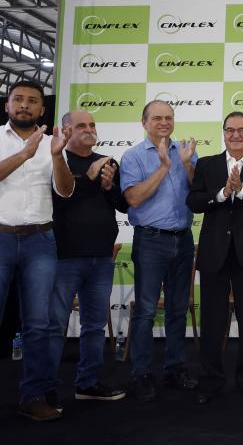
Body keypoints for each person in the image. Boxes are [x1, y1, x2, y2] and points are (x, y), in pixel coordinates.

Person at [187, 112, 243, 404]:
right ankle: (211, 381)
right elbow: (194, 201)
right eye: (230, 130)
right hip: (214, 253)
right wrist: (223, 193)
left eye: (242, 130)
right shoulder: (207, 164)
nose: (236, 135)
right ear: (223, 133)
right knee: (212, 319)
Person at [0, 81, 74, 421]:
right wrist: (23, 155)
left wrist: (57, 156)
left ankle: (32, 396)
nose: (25, 106)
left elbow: (66, 190)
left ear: (42, 110)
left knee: (38, 324)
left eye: (33, 101)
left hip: (40, 241)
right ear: (8, 105)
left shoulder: (52, 144)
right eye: (19, 100)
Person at [47, 111, 128, 405]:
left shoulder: (107, 161)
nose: (89, 129)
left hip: (101, 258)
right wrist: (88, 178)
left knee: (94, 326)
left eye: (92, 124)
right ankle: (45, 389)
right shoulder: (55, 159)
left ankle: (89, 382)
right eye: (81, 125)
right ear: (66, 130)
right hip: (64, 257)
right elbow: (59, 198)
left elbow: (122, 205)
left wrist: (108, 187)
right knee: (55, 326)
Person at [120, 100, 198, 401]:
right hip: (151, 240)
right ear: (144, 123)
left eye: (169, 117)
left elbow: (198, 192)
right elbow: (135, 199)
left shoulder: (186, 151)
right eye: (157, 118)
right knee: (147, 311)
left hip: (183, 238)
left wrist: (188, 165)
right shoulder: (133, 156)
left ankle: (175, 368)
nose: (164, 123)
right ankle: (141, 373)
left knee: (179, 309)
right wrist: (165, 166)